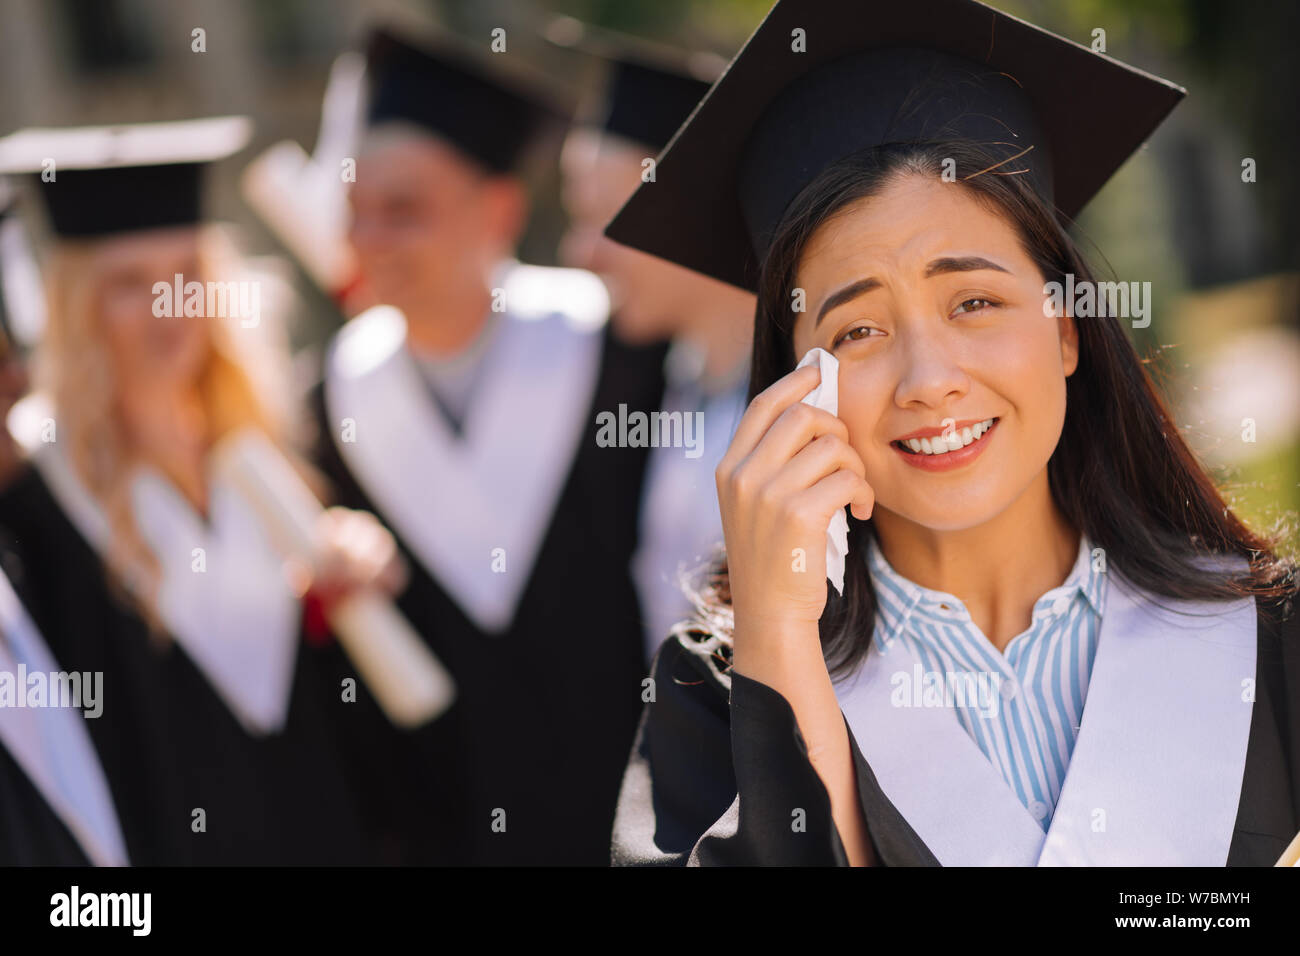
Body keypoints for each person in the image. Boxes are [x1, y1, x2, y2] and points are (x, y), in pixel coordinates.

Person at [604, 0, 1299, 866]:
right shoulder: (717, 688)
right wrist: (780, 635)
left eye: (975, 301)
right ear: (793, 388)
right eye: (857, 331)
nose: (930, 381)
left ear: (1066, 329)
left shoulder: (1267, 642)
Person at [309, 26, 666, 865]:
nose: (368, 241)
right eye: (356, 211)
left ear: (498, 212)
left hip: (647, 814)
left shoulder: (618, 355)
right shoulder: (330, 403)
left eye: (404, 211)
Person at [0, 116, 401, 865]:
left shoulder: (277, 444)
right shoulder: (34, 497)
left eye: (187, 274)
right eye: (128, 284)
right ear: (75, 305)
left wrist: (351, 570)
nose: (167, 308)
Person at [553, 19, 755, 662]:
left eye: (602, 221)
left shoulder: (815, 395)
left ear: (690, 213)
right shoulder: (676, 381)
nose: (579, 254)